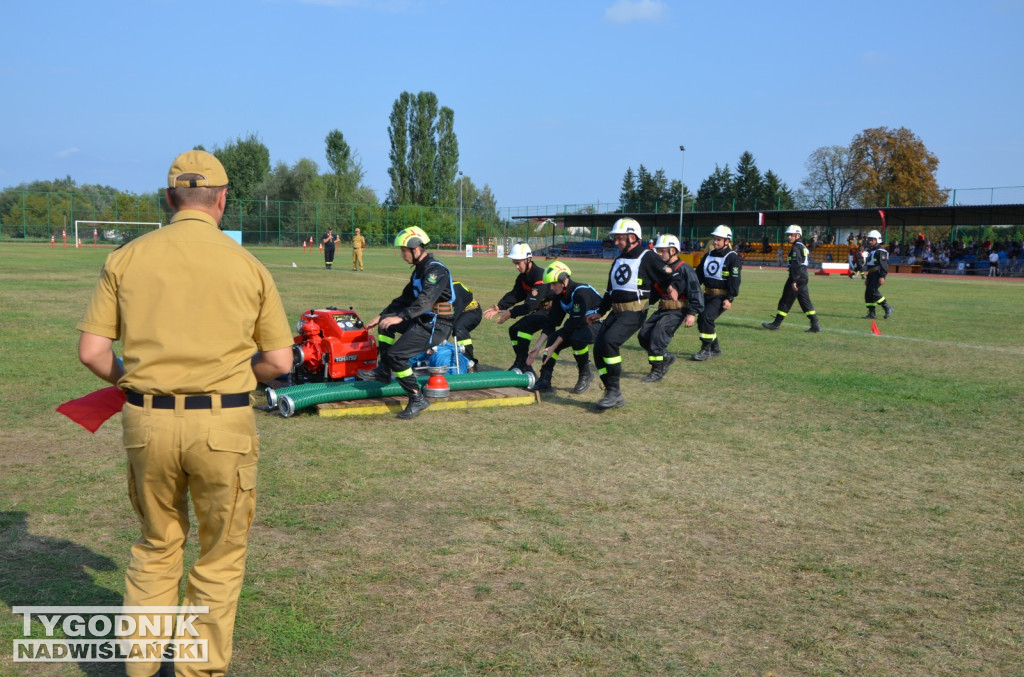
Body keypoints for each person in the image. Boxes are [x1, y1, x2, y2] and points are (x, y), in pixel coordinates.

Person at [76, 150, 294, 677]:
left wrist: (132, 378)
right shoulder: (249, 265)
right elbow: (280, 362)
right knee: (218, 558)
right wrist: (240, 376)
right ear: (222, 201)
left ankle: (142, 667)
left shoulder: (126, 258)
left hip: (147, 422)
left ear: (169, 199)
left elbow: (93, 353)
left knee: (156, 546)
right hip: (224, 424)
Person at [357, 226, 455, 419]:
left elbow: (426, 300)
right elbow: (404, 298)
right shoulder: (419, 271)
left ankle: (416, 397)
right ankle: (383, 371)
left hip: (437, 324)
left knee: (396, 356)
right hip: (423, 320)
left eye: (403, 250)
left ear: (416, 248)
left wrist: (401, 316)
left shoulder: (435, 270)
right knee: (386, 323)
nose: (402, 255)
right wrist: (382, 315)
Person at [590, 217, 678, 409]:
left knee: (609, 342)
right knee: (598, 350)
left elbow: (671, 274)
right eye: (616, 238)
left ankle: (614, 392)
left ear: (632, 237)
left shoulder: (648, 256)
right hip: (615, 312)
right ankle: (612, 393)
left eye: (620, 238)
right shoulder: (619, 259)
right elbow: (609, 290)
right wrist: (600, 311)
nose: (616, 242)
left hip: (634, 313)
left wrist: (670, 287)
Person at [524, 261, 602, 394]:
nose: (551, 288)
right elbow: (551, 323)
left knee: (576, 338)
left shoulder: (580, 293)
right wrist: (537, 348)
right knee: (554, 337)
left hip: (600, 325)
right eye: (549, 284)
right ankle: (545, 380)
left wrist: (554, 346)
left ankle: (585, 373)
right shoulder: (559, 297)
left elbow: (571, 325)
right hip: (579, 325)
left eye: (553, 284)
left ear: (564, 280)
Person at [637, 234, 703, 380]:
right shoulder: (661, 270)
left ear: (673, 251)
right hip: (663, 309)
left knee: (657, 338)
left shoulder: (685, 269)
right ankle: (665, 357)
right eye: (658, 251)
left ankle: (657, 370)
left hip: (678, 311)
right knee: (643, 336)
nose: (659, 254)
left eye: (662, 251)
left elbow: (695, 291)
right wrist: (644, 304)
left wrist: (692, 313)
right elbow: (655, 292)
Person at [482, 243, 551, 376]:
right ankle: (520, 362)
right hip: (539, 311)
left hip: (551, 312)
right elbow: (516, 294)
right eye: (514, 263)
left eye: (518, 263)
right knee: (513, 330)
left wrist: (511, 313)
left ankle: (525, 365)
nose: (516, 267)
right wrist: (500, 306)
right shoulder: (523, 277)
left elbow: (529, 306)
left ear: (528, 259)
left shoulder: (540, 276)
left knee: (524, 328)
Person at [762, 224, 821, 333]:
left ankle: (776, 324)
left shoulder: (795, 248)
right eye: (788, 235)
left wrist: (794, 280)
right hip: (803, 275)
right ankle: (815, 324)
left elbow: (796, 264)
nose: (789, 237)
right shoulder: (802, 246)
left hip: (797, 276)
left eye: (791, 235)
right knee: (805, 301)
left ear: (798, 235)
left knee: (785, 300)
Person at [693, 225, 741, 361]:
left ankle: (705, 350)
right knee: (702, 320)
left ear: (727, 241)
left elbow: (735, 280)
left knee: (706, 318)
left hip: (721, 296)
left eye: (718, 239)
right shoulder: (708, 255)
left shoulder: (732, 257)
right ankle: (715, 349)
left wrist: (730, 298)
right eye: (714, 239)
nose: (715, 242)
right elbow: (698, 276)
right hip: (706, 294)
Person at [862, 229, 894, 319]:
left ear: (877, 240)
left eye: (872, 239)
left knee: (873, 291)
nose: (870, 241)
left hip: (878, 273)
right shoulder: (872, 250)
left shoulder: (881, 251)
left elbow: (883, 265)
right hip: (872, 273)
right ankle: (872, 313)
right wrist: (868, 277)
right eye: (869, 239)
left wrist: (882, 276)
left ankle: (887, 307)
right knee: (868, 293)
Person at [452, 280, 481, 370]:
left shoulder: (455, 291)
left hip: (472, 311)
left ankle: (469, 362)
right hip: (458, 310)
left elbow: (449, 320)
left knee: (459, 329)